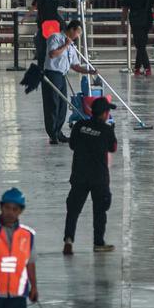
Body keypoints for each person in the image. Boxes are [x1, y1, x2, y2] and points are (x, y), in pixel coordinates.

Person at [64, 97, 118, 255]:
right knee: (100, 210)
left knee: (73, 209)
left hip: (79, 174)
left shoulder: (79, 126)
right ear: (104, 114)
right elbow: (113, 148)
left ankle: (68, 239)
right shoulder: (107, 130)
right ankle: (98, 243)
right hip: (99, 177)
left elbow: (72, 145)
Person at [42, 20, 97, 145]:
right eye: (76, 33)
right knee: (52, 105)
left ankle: (58, 131)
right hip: (52, 74)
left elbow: (75, 65)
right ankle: (52, 134)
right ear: (71, 29)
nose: (77, 36)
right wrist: (65, 46)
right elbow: (52, 54)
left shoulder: (72, 46)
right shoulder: (55, 38)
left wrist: (88, 71)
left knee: (62, 105)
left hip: (62, 75)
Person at [31, 0, 63, 65]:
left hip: (45, 23)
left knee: (41, 44)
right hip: (54, 22)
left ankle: (42, 66)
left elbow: (35, 6)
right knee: (54, 43)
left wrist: (25, 17)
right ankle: (55, 63)